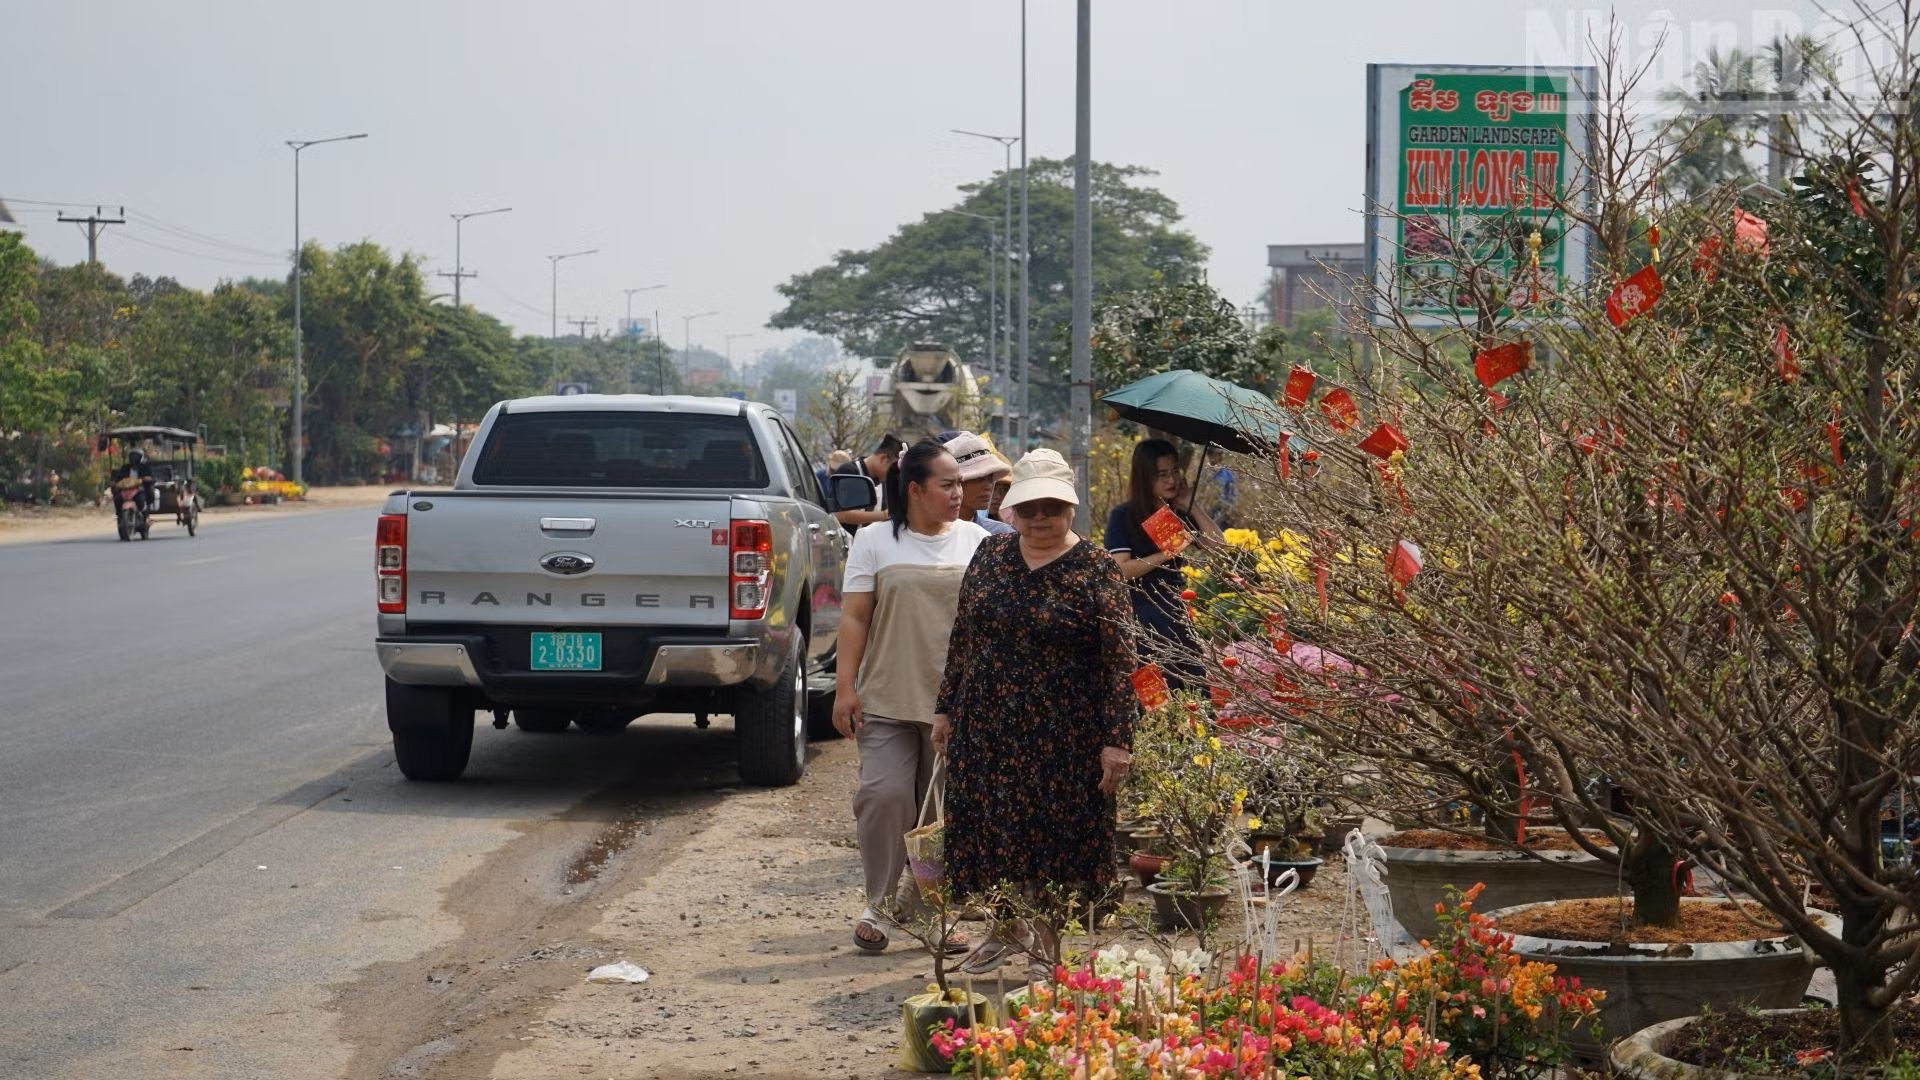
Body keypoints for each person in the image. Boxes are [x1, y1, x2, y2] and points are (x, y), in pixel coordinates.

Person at [935, 449, 1139, 978]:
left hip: (1064, 734)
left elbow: (1122, 664)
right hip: (988, 724)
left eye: (1053, 506)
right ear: (1012, 511)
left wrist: (1118, 740)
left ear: (1071, 507)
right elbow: (964, 638)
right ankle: (1003, 930)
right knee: (993, 830)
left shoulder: (1097, 570)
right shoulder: (990, 557)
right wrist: (945, 709)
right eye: (1029, 508)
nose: (1041, 518)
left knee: (1054, 840)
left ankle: (1047, 948)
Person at [833, 438, 989, 954]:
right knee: (883, 796)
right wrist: (844, 687)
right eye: (947, 484)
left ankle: (933, 914)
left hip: (957, 704)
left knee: (940, 812)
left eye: (960, 484)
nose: (958, 493)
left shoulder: (977, 541)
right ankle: (878, 900)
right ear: (916, 490)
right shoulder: (875, 540)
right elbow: (855, 616)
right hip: (886, 696)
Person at [1103, 439, 1225, 690]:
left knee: (1193, 692)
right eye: (1162, 475)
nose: (1171, 480)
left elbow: (1220, 547)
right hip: (1141, 619)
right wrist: (1165, 553)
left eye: (1174, 472)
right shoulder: (1123, 515)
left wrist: (1192, 503)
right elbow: (1120, 570)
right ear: (1145, 477)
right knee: (1154, 700)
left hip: (1176, 614)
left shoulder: (1178, 512)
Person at [938, 431, 1014, 535]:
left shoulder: (1002, 535)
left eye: (990, 477)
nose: (988, 486)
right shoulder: (928, 535)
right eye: (978, 478)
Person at [832, 433, 904, 534]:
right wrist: (884, 515)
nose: (895, 475)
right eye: (894, 469)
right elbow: (840, 514)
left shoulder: (883, 481)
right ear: (883, 458)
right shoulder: (849, 472)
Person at [110, 449, 155, 514]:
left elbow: (151, 477)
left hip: (140, 490)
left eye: (136, 456)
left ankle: (145, 517)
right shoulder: (125, 467)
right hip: (126, 490)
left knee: (141, 500)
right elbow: (118, 477)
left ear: (140, 457)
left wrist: (147, 478)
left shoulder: (145, 467)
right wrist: (114, 482)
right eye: (132, 456)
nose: (133, 458)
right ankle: (119, 515)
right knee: (117, 499)